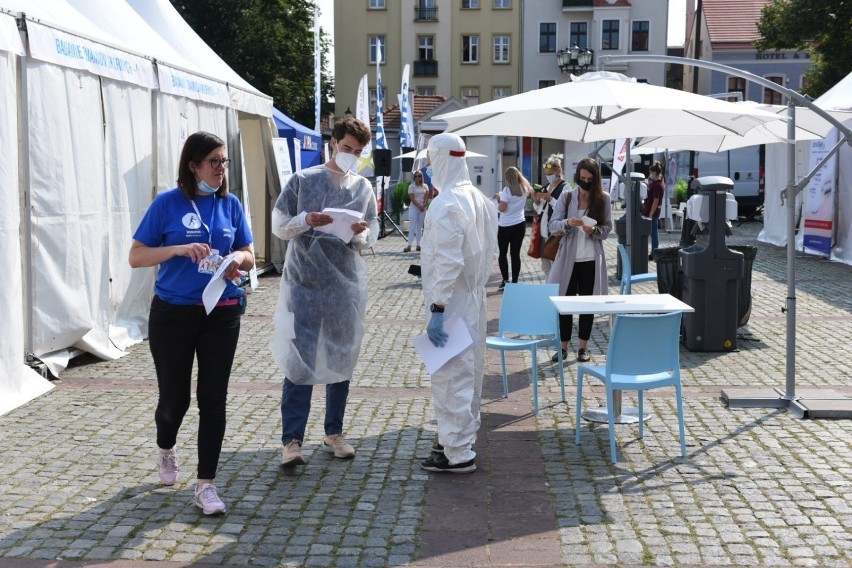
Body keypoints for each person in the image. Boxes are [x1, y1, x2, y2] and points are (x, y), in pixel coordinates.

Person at [129, 131, 255, 516]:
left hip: (222, 310)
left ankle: (206, 485)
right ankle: (166, 447)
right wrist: (179, 249)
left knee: (213, 398)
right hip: (173, 314)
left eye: (224, 162)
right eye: (214, 161)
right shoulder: (168, 204)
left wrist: (238, 259)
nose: (221, 169)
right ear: (193, 165)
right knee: (175, 401)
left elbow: (250, 252)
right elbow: (136, 257)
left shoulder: (230, 204)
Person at [270, 116, 378, 468]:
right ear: (333, 142)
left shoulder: (362, 188)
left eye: (358, 152)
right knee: (299, 361)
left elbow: (370, 234)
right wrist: (306, 221)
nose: (352, 156)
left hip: (343, 284)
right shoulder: (304, 180)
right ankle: (292, 440)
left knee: (340, 357)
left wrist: (360, 231)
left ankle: (335, 432)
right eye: (347, 149)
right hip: (305, 282)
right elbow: (280, 227)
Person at [419, 133, 498, 474]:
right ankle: (458, 438)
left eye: (431, 160)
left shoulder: (447, 203)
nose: (428, 167)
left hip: (452, 303)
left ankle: (457, 452)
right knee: (470, 373)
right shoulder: (479, 199)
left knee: (451, 376)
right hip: (473, 299)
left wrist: (437, 308)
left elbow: (448, 262)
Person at [547, 157, 613, 363]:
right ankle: (563, 347)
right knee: (564, 302)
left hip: (592, 259)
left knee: (588, 304)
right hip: (568, 258)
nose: (585, 182)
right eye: (582, 178)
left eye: (590, 179)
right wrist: (568, 222)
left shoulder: (603, 199)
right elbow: (552, 225)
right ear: (577, 177)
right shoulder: (567, 197)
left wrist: (594, 230)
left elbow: (607, 229)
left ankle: (583, 348)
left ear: (596, 179)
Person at [492, 167, 531, 290]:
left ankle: (505, 280)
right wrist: (501, 197)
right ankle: (515, 281)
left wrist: (499, 200)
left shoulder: (506, 191)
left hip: (505, 226)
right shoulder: (524, 189)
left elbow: (502, 209)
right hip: (520, 224)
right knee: (515, 254)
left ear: (507, 178)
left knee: (503, 254)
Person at [532, 154, 568, 277]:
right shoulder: (547, 186)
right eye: (546, 174)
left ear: (557, 171)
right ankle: (549, 290)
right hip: (543, 232)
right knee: (546, 267)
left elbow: (565, 210)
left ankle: (557, 291)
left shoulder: (565, 187)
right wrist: (536, 200)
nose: (548, 177)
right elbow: (539, 209)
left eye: (550, 173)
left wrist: (551, 199)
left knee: (556, 267)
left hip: (555, 234)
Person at [643, 160, 666, 257]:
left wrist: (651, 215)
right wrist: (648, 184)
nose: (650, 174)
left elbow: (656, 201)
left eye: (651, 172)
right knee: (652, 233)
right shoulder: (656, 183)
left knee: (653, 234)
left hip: (652, 212)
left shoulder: (658, 185)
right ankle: (654, 252)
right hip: (650, 210)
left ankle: (654, 253)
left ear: (655, 173)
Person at [403, 170, 428, 252]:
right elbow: (412, 198)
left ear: (421, 177)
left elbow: (426, 197)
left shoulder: (425, 186)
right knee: (412, 226)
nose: (417, 178)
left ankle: (418, 245)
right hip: (414, 207)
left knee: (420, 227)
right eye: (416, 176)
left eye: (419, 176)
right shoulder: (411, 186)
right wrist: (419, 205)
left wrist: (423, 205)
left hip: (422, 208)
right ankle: (409, 245)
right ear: (414, 177)